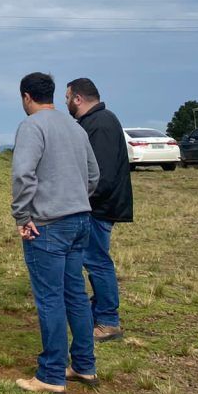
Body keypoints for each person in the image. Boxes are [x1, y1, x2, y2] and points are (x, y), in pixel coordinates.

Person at [11, 72, 100, 394]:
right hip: (80, 220)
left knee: (50, 298)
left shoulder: (32, 127)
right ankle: (84, 365)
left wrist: (23, 215)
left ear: (26, 97)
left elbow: (23, 174)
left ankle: (50, 374)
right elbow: (94, 174)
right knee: (75, 294)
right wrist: (75, 197)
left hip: (47, 224)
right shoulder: (75, 127)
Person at [66, 78, 133, 343]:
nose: (66, 102)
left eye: (67, 97)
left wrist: (82, 200)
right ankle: (99, 312)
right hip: (95, 205)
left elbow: (100, 175)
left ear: (78, 98)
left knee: (97, 261)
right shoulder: (93, 121)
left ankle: (108, 321)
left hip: (99, 207)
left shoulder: (101, 123)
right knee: (93, 259)